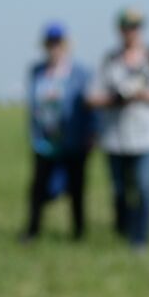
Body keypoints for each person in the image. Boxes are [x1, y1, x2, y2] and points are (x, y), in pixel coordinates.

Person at [87, 7, 149, 250]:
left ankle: (141, 238)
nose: (131, 32)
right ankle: (122, 231)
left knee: (145, 188)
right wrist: (116, 97)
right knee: (119, 190)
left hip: (147, 137)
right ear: (119, 30)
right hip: (115, 137)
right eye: (127, 27)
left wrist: (143, 94)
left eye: (136, 27)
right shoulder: (108, 59)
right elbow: (91, 97)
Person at [23, 22, 95, 241]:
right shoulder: (37, 71)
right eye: (50, 43)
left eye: (58, 43)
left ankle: (78, 233)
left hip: (73, 140)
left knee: (76, 189)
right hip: (44, 141)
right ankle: (33, 230)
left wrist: (91, 133)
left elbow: (89, 106)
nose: (54, 48)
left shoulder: (81, 73)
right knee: (38, 188)